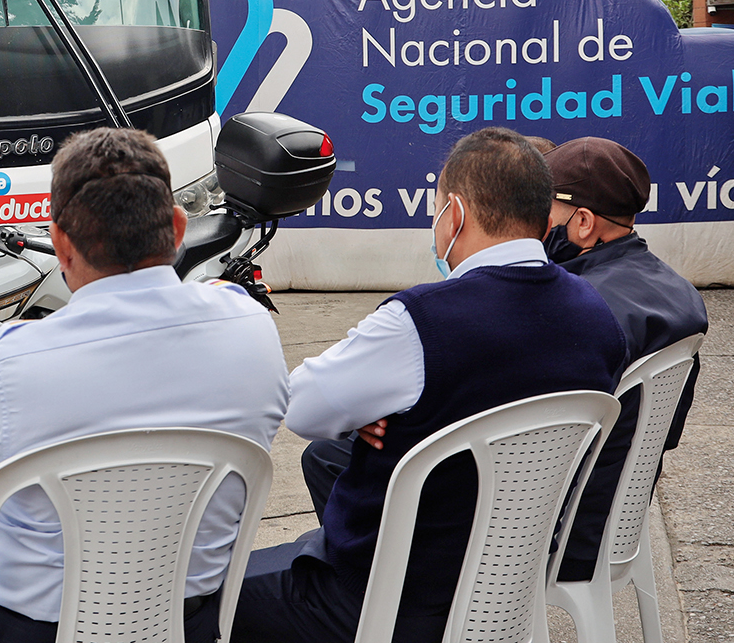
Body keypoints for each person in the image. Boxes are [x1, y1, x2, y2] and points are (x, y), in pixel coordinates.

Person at [0, 127, 289, 643]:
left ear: (61, 244)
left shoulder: (9, 365)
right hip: (190, 622)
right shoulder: (251, 330)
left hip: (32, 630)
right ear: (179, 227)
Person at [229, 127, 627, 643]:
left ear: (454, 214)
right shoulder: (599, 318)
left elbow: (303, 407)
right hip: (504, 590)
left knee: (188, 603)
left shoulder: (419, 323)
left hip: (377, 598)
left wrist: (384, 409)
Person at [538, 137, 709, 583]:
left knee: (339, 453)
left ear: (583, 222)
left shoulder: (581, 306)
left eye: (543, 211)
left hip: (555, 536)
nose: (535, 225)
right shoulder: (676, 288)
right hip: (616, 518)